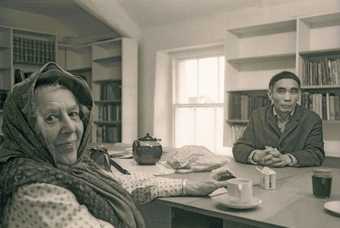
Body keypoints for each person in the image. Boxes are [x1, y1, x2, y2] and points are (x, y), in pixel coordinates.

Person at [0, 62, 233, 228]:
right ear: (24, 127)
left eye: (73, 114)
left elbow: (123, 183)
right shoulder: (35, 190)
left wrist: (189, 186)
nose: (70, 127)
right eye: (51, 117)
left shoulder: (72, 168)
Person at [232, 71, 324, 167]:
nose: (287, 98)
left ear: (299, 95)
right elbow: (239, 148)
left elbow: (317, 154)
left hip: (296, 177)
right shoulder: (258, 116)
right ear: (270, 94)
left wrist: (288, 158)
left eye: (293, 91)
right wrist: (257, 155)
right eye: (281, 91)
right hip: (263, 176)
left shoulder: (312, 119)